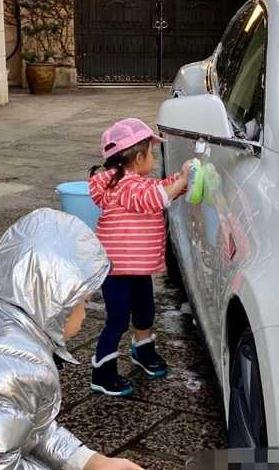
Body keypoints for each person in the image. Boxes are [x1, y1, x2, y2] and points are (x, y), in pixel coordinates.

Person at [0, 208, 143, 470]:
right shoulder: (22, 371)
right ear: (56, 300)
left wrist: (90, 461)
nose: (85, 313)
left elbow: (28, 427)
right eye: (84, 301)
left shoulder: (7, 330)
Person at [89, 118, 190, 396]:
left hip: (138, 268)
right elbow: (155, 198)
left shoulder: (135, 183)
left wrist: (182, 183)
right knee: (118, 320)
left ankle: (142, 352)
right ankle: (102, 372)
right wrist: (181, 180)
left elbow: (157, 191)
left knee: (145, 313)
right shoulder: (124, 186)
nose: (154, 159)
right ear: (138, 156)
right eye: (151, 153)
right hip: (117, 272)